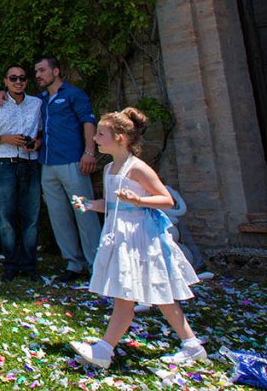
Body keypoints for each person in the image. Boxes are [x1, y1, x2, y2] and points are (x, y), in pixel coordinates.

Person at [69, 108, 203, 369]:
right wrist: (89, 204)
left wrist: (139, 199)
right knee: (142, 293)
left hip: (141, 237)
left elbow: (166, 199)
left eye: (101, 134)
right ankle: (191, 345)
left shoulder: (137, 168)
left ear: (120, 137)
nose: (95, 138)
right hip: (120, 236)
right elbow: (113, 204)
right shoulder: (109, 168)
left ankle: (104, 349)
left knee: (138, 293)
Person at [34, 56, 102, 283]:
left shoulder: (73, 94)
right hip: (47, 164)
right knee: (59, 216)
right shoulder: (41, 100)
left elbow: (88, 121)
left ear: (56, 71)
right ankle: (74, 263)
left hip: (73, 161)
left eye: (42, 70)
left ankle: (96, 265)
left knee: (84, 213)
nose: (38, 75)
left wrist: (89, 152)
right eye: (36, 72)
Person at [0, 65, 43, 282]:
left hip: (29, 163)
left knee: (30, 216)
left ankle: (29, 264)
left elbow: (41, 133)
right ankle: (11, 263)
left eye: (22, 78)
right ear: (4, 81)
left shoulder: (37, 104)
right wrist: (5, 138)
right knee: (6, 217)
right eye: (13, 78)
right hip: (4, 164)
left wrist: (36, 144)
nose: (18, 81)